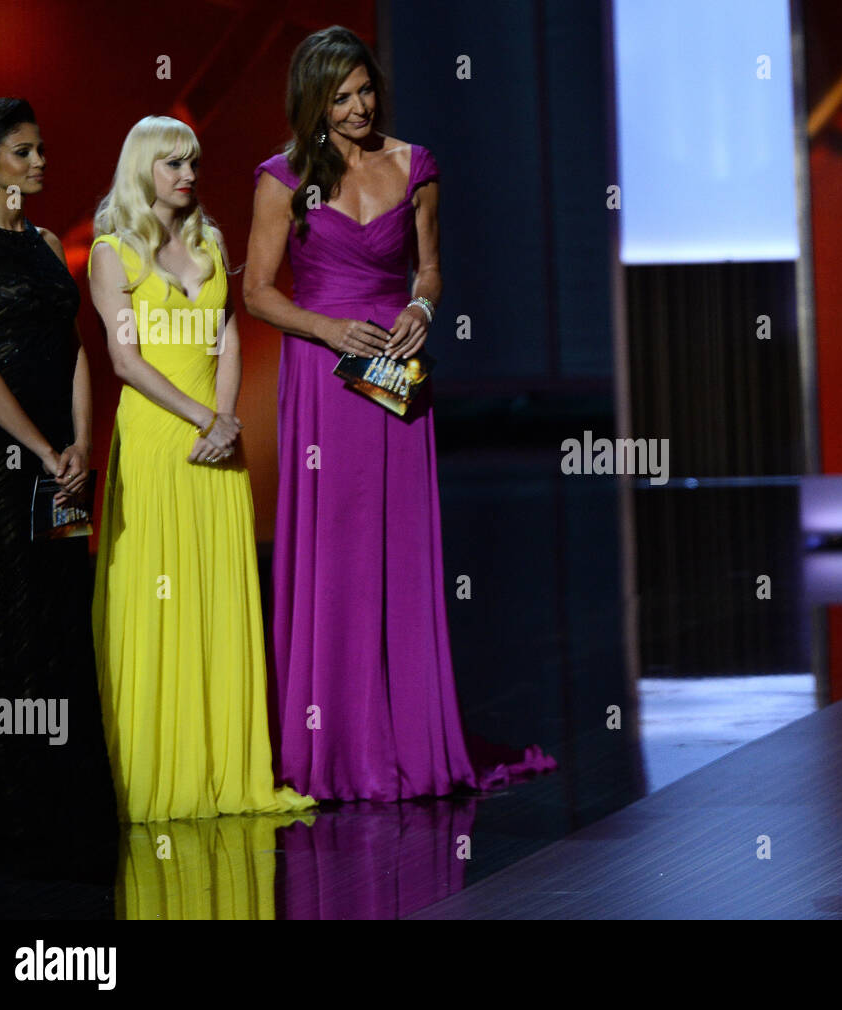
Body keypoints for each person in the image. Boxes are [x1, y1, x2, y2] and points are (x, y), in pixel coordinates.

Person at [245, 26, 554, 801]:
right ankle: (331, 743)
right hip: (323, 376)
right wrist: (325, 328)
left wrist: (421, 305)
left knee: (397, 546)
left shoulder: (414, 166)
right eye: (340, 96)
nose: (358, 107)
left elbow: (433, 270)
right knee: (333, 550)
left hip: (394, 374)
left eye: (365, 90)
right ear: (313, 101)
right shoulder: (281, 179)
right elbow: (256, 291)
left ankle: (407, 736)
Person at [88, 115, 315, 822]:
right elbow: (125, 361)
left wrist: (225, 420)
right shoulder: (111, 253)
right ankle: (160, 774)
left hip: (218, 444)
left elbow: (226, 336)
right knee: (159, 598)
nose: (188, 175)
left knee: (216, 598)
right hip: (159, 442)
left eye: (193, 163)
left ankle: (227, 770)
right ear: (143, 170)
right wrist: (200, 420)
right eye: (173, 164)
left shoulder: (210, 244)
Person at [0, 97, 118, 887]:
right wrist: (40, 446)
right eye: (22, 152)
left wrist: (82, 446)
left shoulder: (52, 243)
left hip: (61, 462)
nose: (39, 163)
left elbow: (77, 352)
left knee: (61, 615)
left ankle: (63, 799)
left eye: (42, 149)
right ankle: (7, 807)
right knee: (8, 622)